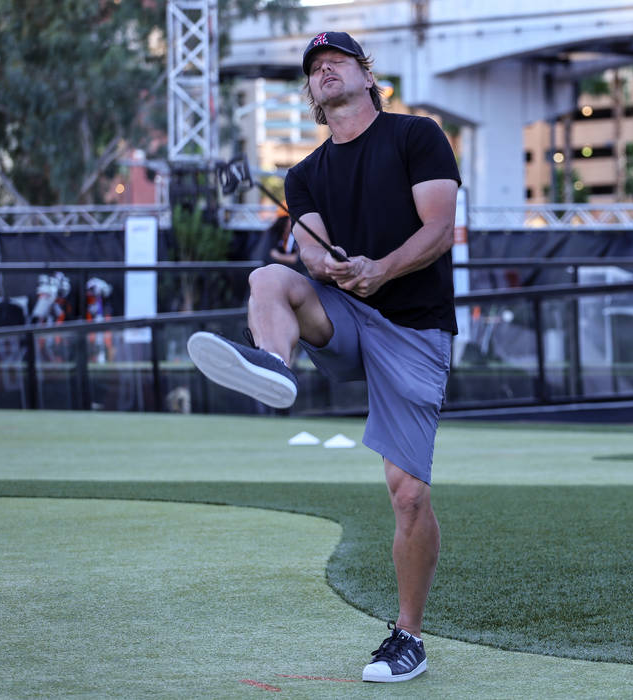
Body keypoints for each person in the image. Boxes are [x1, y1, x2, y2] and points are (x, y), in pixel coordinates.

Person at [186, 30, 460, 683]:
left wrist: (380, 267)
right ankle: (275, 368)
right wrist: (328, 265)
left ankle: (409, 637)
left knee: (408, 495)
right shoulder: (303, 175)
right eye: (315, 67)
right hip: (343, 316)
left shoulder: (416, 136)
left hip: (412, 326)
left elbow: (440, 228)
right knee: (267, 279)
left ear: (367, 75)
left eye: (337, 60)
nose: (325, 69)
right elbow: (309, 250)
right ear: (311, 92)